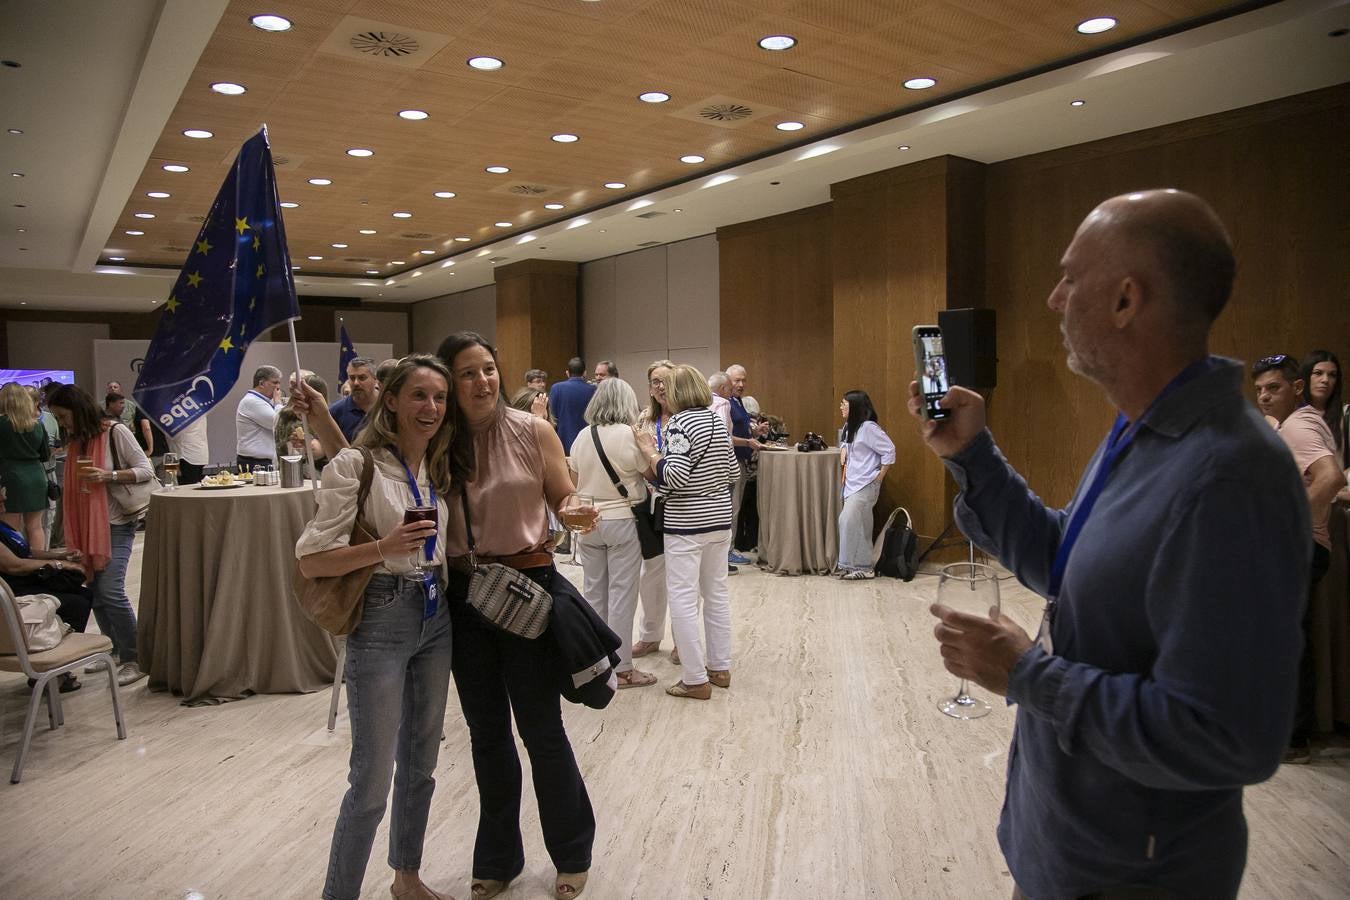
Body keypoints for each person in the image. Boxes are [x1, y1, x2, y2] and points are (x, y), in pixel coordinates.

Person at [914, 190, 1308, 899]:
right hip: (1074, 842)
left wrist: (1028, 675)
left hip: (1133, 871)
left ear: (1126, 300)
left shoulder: (1229, 474)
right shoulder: (1144, 428)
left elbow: (1227, 737)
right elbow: (1070, 562)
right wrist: (972, 457)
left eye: (1071, 276)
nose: (1054, 297)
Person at [436, 332, 597, 900]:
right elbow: (367, 460)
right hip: (463, 595)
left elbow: (563, 496)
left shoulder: (533, 430)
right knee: (486, 735)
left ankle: (573, 850)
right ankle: (498, 858)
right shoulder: (438, 438)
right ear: (448, 383)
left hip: (525, 588)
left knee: (541, 728)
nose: (482, 382)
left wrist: (574, 510)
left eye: (488, 370)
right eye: (467, 373)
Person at [296, 355, 454, 900]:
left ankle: (406, 877)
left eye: (438, 397)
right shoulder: (355, 466)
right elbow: (312, 561)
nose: (430, 407)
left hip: (436, 617)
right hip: (383, 619)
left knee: (422, 764)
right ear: (390, 400)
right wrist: (383, 549)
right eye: (418, 395)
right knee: (369, 781)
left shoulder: (438, 465)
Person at [1251, 353, 1346, 762]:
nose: (1264, 396)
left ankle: (1292, 739)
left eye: (1273, 387)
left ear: (1297, 388)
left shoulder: (1299, 424)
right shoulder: (1294, 424)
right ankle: (1289, 734)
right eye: (1258, 390)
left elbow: (1331, 478)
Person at [634, 364, 738, 700]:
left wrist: (651, 452)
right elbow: (733, 471)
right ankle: (719, 667)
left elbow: (674, 476)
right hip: (719, 522)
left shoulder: (681, 423)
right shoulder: (714, 420)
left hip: (686, 524)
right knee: (716, 595)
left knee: (682, 598)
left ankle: (694, 679)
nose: (662, 392)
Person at [47, 384, 153, 687]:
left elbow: (144, 469)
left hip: (117, 522)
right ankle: (115, 649)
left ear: (78, 411)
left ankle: (136, 657)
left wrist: (108, 476)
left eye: (64, 417)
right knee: (93, 588)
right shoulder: (77, 441)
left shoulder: (114, 432)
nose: (63, 424)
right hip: (87, 526)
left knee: (110, 590)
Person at [569, 377, 657, 689]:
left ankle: (598, 663)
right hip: (621, 518)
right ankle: (623, 668)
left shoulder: (582, 436)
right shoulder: (629, 436)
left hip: (589, 521)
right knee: (623, 594)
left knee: (594, 593)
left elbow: (573, 480)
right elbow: (649, 473)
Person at [0, 483, 91, 692]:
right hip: (15, 590)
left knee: (82, 593)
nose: (5, 497)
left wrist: (59, 555)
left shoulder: (5, 527)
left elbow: (27, 552)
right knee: (75, 601)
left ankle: (58, 666)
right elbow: (15, 565)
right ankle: (49, 667)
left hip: (24, 580)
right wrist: (59, 565)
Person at [631, 359, 675, 660]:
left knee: (684, 576)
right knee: (652, 572)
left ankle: (683, 642)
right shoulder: (644, 418)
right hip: (647, 502)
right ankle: (650, 636)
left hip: (678, 502)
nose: (659, 387)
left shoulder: (688, 417)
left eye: (664, 381)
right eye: (654, 382)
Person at [836, 390, 895, 580]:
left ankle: (859, 565)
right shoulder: (849, 427)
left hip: (865, 483)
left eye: (844, 404)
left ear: (854, 407)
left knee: (849, 520)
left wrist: (879, 477)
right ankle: (858, 566)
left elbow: (889, 450)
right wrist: (843, 450)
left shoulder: (869, 428)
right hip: (851, 484)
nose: (841, 407)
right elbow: (846, 444)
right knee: (859, 524)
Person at [0, 381, 52, 551]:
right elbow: (45, 454)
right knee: (35, 526)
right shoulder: (37, 425)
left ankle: (16, 567)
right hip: (36, 476)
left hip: (9, 476)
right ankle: (38, 567)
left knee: (11, 528)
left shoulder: (1, 424)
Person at [723, 364, 764, 567]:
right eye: (736, 380)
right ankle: (727, 551)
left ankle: (730, 548)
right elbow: (725, 436)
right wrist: (747, 442)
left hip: (742, 461)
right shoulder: (723, 404)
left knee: (736, 507)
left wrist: (755, 433)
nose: (741, 384)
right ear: (726, 381)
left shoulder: (737, 401)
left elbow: (742, 428)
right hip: (732, 462)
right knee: (732, 507)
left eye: (743, 380)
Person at [276, 372, 330, 478]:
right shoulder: (300, 418)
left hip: (288, 474)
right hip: (307, 476)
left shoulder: (282, 414)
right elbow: (315, 450)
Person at [1300, 350, 1346, 470]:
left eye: (1332, 375)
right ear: (1306, 376)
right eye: (1318, 373)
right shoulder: (1290, 414)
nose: (1325, 380)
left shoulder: (1345, 415)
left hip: (1338, 485)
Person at [236, 365, 282, 470]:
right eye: (275, 383)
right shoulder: (252, 401)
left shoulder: (263, 401)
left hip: (263, 460)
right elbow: (278, 423)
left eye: (279, 383)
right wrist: (278, 403)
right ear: (261, 383)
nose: (278, 387)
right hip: (255, 462)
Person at [547, 357, 596, 454]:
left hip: (563, 442)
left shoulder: (556, 388)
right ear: (585, 373)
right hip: (588, 442)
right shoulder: (594, 390)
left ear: (567, 373)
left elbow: (552, 416)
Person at [330, 357, 379, 442]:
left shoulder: (388, 406)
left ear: (375, 379)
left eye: (362, 378)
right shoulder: (336, 411)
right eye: (352, 378)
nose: (356, 383)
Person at [168, 416, 208, 486]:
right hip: (199, 452)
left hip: (187, 454)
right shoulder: (200, 411)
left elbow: (177, 433)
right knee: (196, 485)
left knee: (188, 487)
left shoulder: (183, 413)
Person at [707, 371, 733, 437]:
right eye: (730, 390)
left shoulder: (701, 402)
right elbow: (723, 430)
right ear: (723, 388)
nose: (731, 394)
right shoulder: (723, 403)